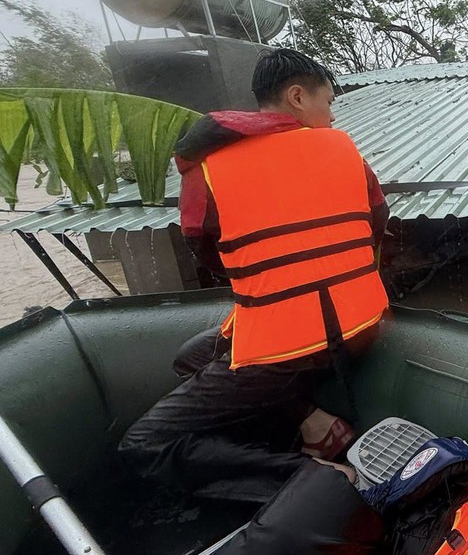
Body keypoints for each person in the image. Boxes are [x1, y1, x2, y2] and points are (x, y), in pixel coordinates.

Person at [118, 48, 391, 500]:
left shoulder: (209, 165)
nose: (331, 114)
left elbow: (204, 247)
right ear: (298, 97)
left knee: (143, 445)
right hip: (362, 328)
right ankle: (311, 419)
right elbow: (376, 222)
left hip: (288, 352)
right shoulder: (344, 150)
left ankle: (319, 475)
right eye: (329, 102)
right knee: (192, 353)